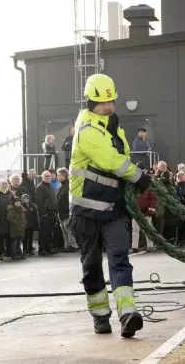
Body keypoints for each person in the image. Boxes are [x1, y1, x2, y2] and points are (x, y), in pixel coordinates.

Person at [69, 73, 151, 337]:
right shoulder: (87, 130)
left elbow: (122, 157)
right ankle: (100, 316)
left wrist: (132, 175)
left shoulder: (114, 126)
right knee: (91, 267)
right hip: (86, 212)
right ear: (90, 101)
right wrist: (139, 177)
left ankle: (128, 314)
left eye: (111, 101)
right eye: (103, 103)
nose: (109, 106)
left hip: (113, 209)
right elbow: (110, 160)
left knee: (120, 259)